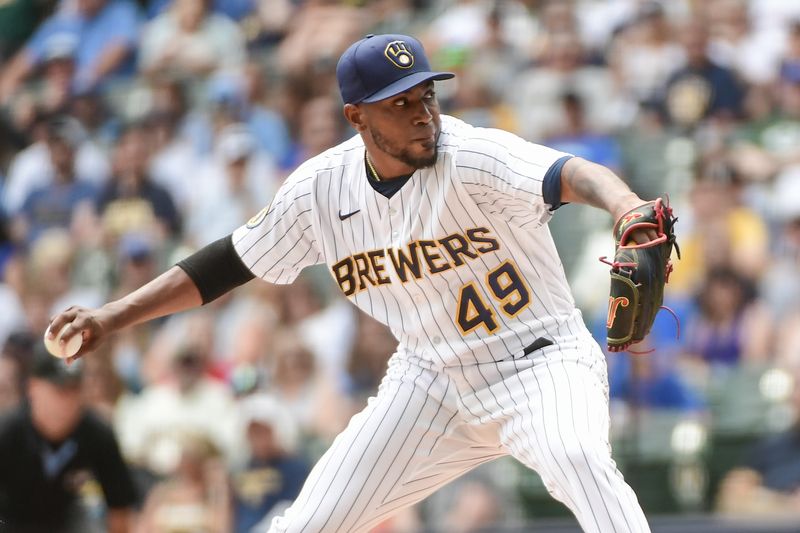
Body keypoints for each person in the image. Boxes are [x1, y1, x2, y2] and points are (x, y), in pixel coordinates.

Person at [49, 33, 660, 532]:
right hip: (430, 381)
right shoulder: (321, 190)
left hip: (537, 363)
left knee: (578, 460)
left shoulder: (469, 156)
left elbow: (571, 173)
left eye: (427, 97)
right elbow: (225, 264)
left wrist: (628, 208)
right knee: (310, 523)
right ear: (356, 116)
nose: (423, 115)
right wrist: (112, 316)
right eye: (400, 104)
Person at [0, 348, 137, 532]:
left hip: (68, 523)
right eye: (59, 390)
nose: (67, 401)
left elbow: (119, 507)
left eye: (74, 389)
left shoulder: (97, 433)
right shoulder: (8, 431)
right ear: (33, 388)